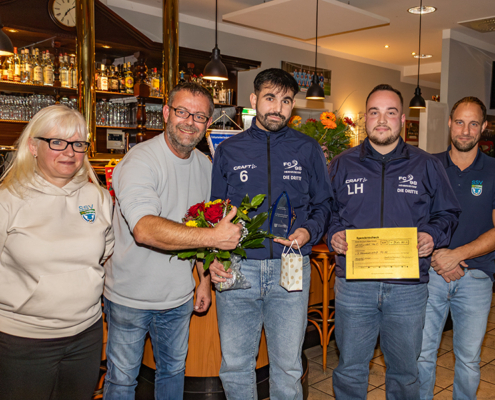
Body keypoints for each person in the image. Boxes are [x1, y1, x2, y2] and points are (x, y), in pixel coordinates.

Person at [103, 82, 242, 400]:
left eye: (199, 116)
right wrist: (214, 237)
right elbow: (144, 229)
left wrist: (202, 281)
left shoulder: (205, 166)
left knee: (172, 374)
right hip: (130, 297)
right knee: (122, 382)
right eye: (182, 112)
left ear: (208, 123)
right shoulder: (140, 161)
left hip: (178, 297)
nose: (190, 122)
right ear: (166, 112)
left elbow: (199, 227)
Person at [327, 84, 461, 400]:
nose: (382, 120)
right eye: (375, 112)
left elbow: (448, 213)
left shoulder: (427, 164)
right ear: (365, 118)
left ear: (401, 119)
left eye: (390, 113)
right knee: (350, 370)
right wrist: (332, 233)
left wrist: (432, 235)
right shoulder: (342, 164)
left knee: (404, 373)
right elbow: (325, 210)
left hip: (407, 289)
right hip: (354, 286)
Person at [209, 68, 332, 399]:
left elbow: (324, 204)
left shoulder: (308, 149)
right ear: (254, 100)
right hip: (237, 266)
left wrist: (308, 231)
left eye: (286, 100)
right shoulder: (228, 151)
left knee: (288, 367)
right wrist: (214, 257)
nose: (278, 108)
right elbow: (215, 213)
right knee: (235, 365)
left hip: (291, 265)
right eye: (270, 98)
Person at [0, 105, 114, 400]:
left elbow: (104, 253)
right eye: (57, 142)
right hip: (23, 339)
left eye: (78, 144)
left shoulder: (98, 197)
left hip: (86, 335)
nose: (69, 152)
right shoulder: (8, 199)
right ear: (33, 146)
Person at [418, 97, 495, 400]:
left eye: (473, 123)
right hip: (431, 275)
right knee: (421, 354)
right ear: (450, 123)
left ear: (484, 127)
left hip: (476, 278)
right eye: (460, 122)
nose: (465, 130)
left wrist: (457, 255)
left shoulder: (494, 170)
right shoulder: (427, 166)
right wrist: (439, 258)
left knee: (468, 360)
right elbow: (414, 220)